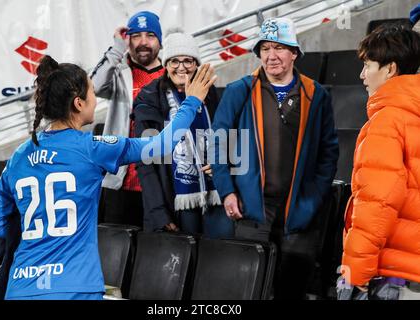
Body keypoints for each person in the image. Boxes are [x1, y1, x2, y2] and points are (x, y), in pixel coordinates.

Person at [0, 55, 216, 300]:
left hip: (20, 288)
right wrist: (191, 102)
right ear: (78, 103)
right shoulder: (93, 148)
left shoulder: (19, 156)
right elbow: (161, 144)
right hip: (75, 287)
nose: (95, 100)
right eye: (93, 92)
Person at [210, 17, 339, 299]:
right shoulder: (238, 91)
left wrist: (313, 197)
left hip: (300, 210)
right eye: (265, 48)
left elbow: (328, 153)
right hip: (250, 210)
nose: (271, 56)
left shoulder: (316, 94)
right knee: (246, 291)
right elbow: (218, 144)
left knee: (292, 291)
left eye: (279, 48)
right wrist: (228, 191)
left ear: (294, 53)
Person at [339, 25, 420, 300]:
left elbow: (377, 202)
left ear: (390, 69)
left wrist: (354, 271)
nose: (362, 75)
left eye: (368, 65)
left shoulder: (387, 120)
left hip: (391, 275)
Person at [133, 30, 234, 238]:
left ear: (196, 63)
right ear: (165, 64)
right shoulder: (150, 97)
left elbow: (229, 139)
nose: (181, 67)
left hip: (215, 195)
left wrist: (222, 163)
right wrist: (159, 214)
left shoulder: (211, 92)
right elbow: (145, 161)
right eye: (174, 61)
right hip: (175, 199)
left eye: (188, 60)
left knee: (220, 257)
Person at [91, 11, 165, 226]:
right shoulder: (120, 74)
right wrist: (116, 49)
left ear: (160, 41)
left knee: (157, 250)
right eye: (136, 36)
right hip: (121, 181)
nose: (143, 42)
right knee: (118, 251)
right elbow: (94, 86)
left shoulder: (172, 73)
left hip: (160, 183)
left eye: (150, 35)